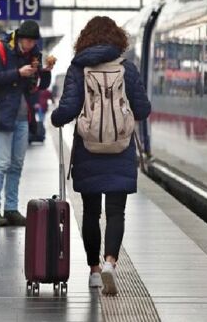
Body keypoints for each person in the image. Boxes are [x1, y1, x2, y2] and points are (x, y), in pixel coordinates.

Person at [51, 16, 151, 295]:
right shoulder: (127, 69)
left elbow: (68, 109)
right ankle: (110, 262)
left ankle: (94, 271)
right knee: (116, 212)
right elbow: (143, 110)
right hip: (120, 149)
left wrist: (56, 118)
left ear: (85, 39)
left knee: (91, 213)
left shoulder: (78, 68)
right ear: (117, 38)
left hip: (88, 149)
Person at [0, 20, 54, 226]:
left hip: (24, 116)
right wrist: (18, 73)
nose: (30, 45)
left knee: (16, 164)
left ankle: (11, 208)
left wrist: (46, 70)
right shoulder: (0, 50)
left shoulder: (35, 55)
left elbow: (40, 86)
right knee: (2, 163)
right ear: (19, 38)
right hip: (4, 114)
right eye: (27, 41)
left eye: (33, 42)